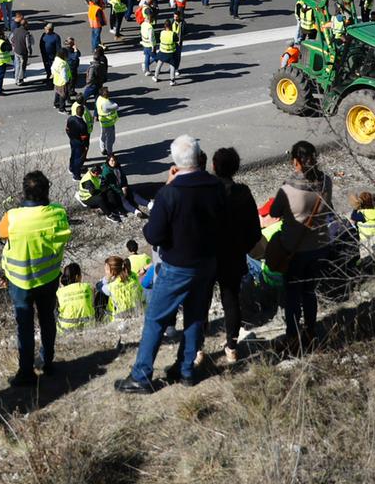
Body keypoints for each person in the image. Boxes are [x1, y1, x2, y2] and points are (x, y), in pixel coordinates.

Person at [116, 135, 225, 392]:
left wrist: (166, 186)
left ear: (175, 163)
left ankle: (141, 376)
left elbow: (153, 235)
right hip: (207, 262)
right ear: (199, 157)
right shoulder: (216, 186)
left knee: (156, 319)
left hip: (177, 266)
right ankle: (186, 370)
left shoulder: (170, 193)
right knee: (196, 316)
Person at [0, 170, 73, 385]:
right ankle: (47, 362)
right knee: (48, 319)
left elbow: (0, 233)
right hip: (48, 279)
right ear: (47, 191)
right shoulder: (57, 213)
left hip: (20, 282)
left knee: (25, 326)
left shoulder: (13, 217)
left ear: (24, 192)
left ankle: (26, 372)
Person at [263, 141, 334, 350]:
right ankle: (311, 332)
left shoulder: (287, 189)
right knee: (310, 292)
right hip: (320, 245)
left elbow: (274, 213)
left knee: (293, 295)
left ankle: (292, 336)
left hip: (295, 251)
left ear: (296, 163)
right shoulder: (326, 181)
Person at [211, 146, 261, 364]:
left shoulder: (207, 192)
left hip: (209, 255)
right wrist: (243, 248)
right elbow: (254, 230)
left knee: (201, 302)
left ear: (213, 166)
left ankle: (197, 350)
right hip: (233, 254)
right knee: (231, 301)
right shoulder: (243, 193)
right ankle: (232, 347)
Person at [55, 263, 98, 332]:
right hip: (89, 328)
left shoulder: (59, 293)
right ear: (77, 276)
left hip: (65, 330)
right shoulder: (87, 287)